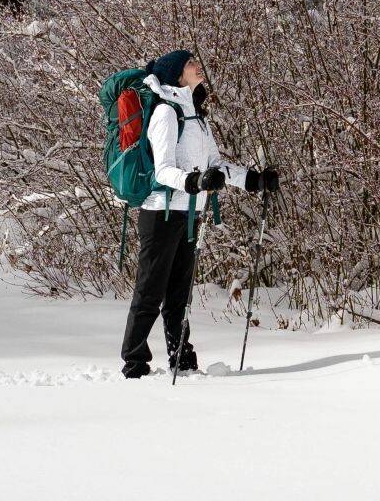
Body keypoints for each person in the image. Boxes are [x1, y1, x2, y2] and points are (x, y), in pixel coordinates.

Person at [120, 48, 281, 379]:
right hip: (160, 212)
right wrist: (194, 181)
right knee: (150, 292)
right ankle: (134, 363)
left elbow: (214, 168)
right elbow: (162, 171)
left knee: (179, 294)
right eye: (191, 64)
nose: (199, 66)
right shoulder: (165, 113)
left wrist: (253, 180)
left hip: (189, 214)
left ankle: (183, 359)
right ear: (178, 74)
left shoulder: (197, 116)